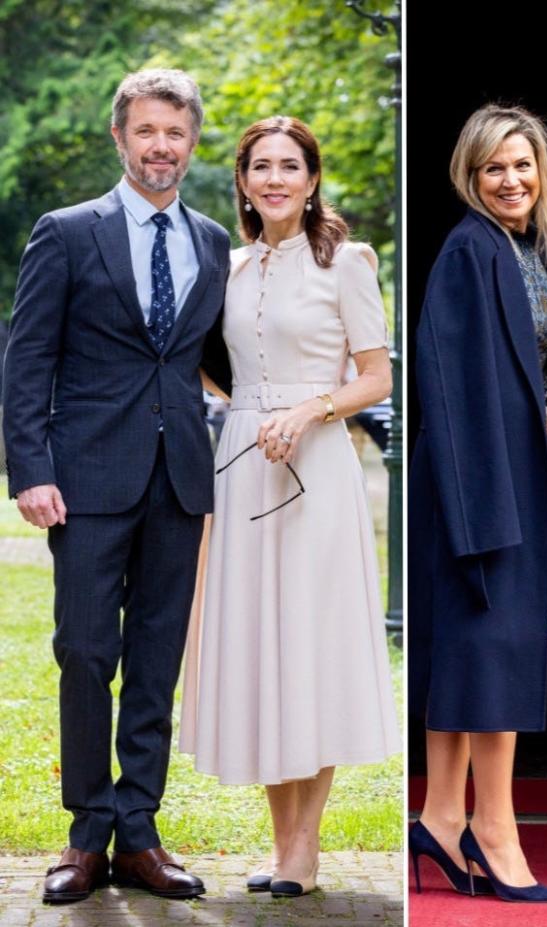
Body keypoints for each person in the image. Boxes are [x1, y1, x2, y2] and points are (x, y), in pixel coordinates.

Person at [1, 69, 230, 903]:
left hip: (180, 482)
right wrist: (30, 469)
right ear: (120, 137)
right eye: (146, 131)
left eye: (175, 132)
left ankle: (139, 831)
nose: (161, 146)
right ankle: (85, 834)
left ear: (191, 141)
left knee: (156, 662)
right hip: (88, 480)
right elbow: (27, 360)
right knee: (87, 652)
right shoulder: (66, 232)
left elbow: (219, 359)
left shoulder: (210, 241)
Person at [178, 116, 400, 897]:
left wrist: (306, 412)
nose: (274, 178)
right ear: (241, 180)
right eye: (260, 167)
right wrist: (250, 409)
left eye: (290, 166)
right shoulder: (229, 268)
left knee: (311, 644)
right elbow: (209, 363)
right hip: (242, 467)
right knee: (262, 649)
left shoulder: (349, 263)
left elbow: (376, 377)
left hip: (318, 470)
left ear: (311, 179)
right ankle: (280, 845)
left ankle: (304, 850)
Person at [410, 104, 547, 904]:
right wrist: (545, 416)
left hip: (511, 471)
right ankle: (493, 830)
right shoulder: (469, 250)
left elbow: (517, 361)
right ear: (471, 174)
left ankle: (442, 816)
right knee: (490, 646)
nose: (511, 179)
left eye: (523, 165)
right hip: (477, 481)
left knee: (477, 650)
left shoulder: (523, 248)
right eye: (495, 167)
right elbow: (455, 383)